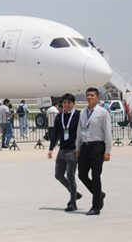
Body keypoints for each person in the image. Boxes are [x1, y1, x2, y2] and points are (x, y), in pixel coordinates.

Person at [76, 87, 112, 215]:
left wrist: (108, 150)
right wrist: (78, 147)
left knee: (96, 176)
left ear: (97, 97)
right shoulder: (83, 112)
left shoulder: (103, 113)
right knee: (82, 174)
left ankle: (95, 207)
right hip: (85, 146)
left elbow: (108, 132)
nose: (89, 97)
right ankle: (99, 194)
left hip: (97, 146)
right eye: (87, 95)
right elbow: (80, 131)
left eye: (92, 95)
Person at [48, 93, 82, 211]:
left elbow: (83, 131)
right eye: (64, 103)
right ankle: (75, 193)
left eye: (69, 103)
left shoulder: (78, 115)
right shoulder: (59, 117)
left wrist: (81, 148)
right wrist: (51, 148)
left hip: (73, 150)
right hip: (62, 150)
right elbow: (55, 134)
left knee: (70, 176)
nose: (66, 105)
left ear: (73, 104)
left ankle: (73, 203)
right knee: (58, 175)